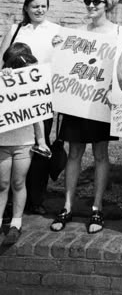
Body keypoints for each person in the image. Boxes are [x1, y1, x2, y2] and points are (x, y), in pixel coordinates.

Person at [50, 0, 121, 234]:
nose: (91, 6)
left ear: (107, 5)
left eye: (97, 2)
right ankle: (67, 205)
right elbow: (63, 61)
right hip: (76, 101)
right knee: (74, 153)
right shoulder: (77, 33)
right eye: (88, 1)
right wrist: (58, 46)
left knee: (101, 154)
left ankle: (97, 207)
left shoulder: (117, 33)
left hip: (100, 102)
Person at [0, 0, 60, 215]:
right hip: (14, 102)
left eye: (43, 5)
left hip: (41, 99)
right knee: (11, 147)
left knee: (39, 146)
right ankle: (7, 199)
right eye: (35, 5)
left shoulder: (55, 31)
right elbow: (2, 61)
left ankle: (35, 198)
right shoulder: (15, 30)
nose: (39, 9)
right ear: (26, 7)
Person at [0, 43, 50, 243]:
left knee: (18, 182)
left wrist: (41, 140)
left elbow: (38, 113)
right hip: (3, 142)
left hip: (24, 142)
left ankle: (16, 222)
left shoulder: (31, 84)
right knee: (2, 183)